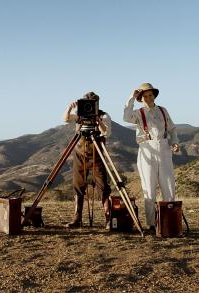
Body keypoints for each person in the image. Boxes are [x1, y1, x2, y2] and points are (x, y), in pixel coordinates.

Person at [123, 83, 180, 231]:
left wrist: (174, 142)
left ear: (154, 96)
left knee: (168, 186)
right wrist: (131, 98)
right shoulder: (138, 113)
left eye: (150, 95)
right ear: (141, 98)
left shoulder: (163, 111)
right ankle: (151, 224)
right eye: (144, 96)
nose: (148, 98)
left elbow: (172, 129)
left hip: (165, 148)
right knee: (149, 187)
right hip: (147, 148)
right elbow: (126, 117)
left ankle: (169, 221)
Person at [62, 92, 112, 228]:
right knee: (78, 185)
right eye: (87, 102)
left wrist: (97, 120)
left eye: (92, 103)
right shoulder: (80, 114)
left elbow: (107, 132)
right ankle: (77, 218)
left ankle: (108, 218)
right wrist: (69, 108)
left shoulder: (103, 115)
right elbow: (66, 119)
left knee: (102, 186)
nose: (89, 105)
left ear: (97, 103)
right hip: (80, 153)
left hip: (97, 154)